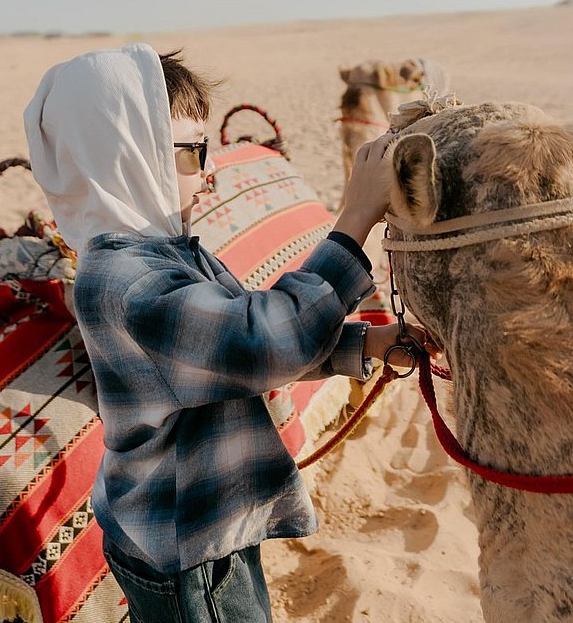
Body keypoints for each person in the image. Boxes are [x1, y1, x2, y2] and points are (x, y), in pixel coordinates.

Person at [23, 43, 437, 623]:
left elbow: (231, 357)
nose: (210, 170)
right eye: (192, 152)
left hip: (205, 529)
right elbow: (263, 344)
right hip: (189, 547)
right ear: (127, 157)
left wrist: (364, 345)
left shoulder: (161, 253)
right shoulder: (128, 281)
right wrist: (355, 218)